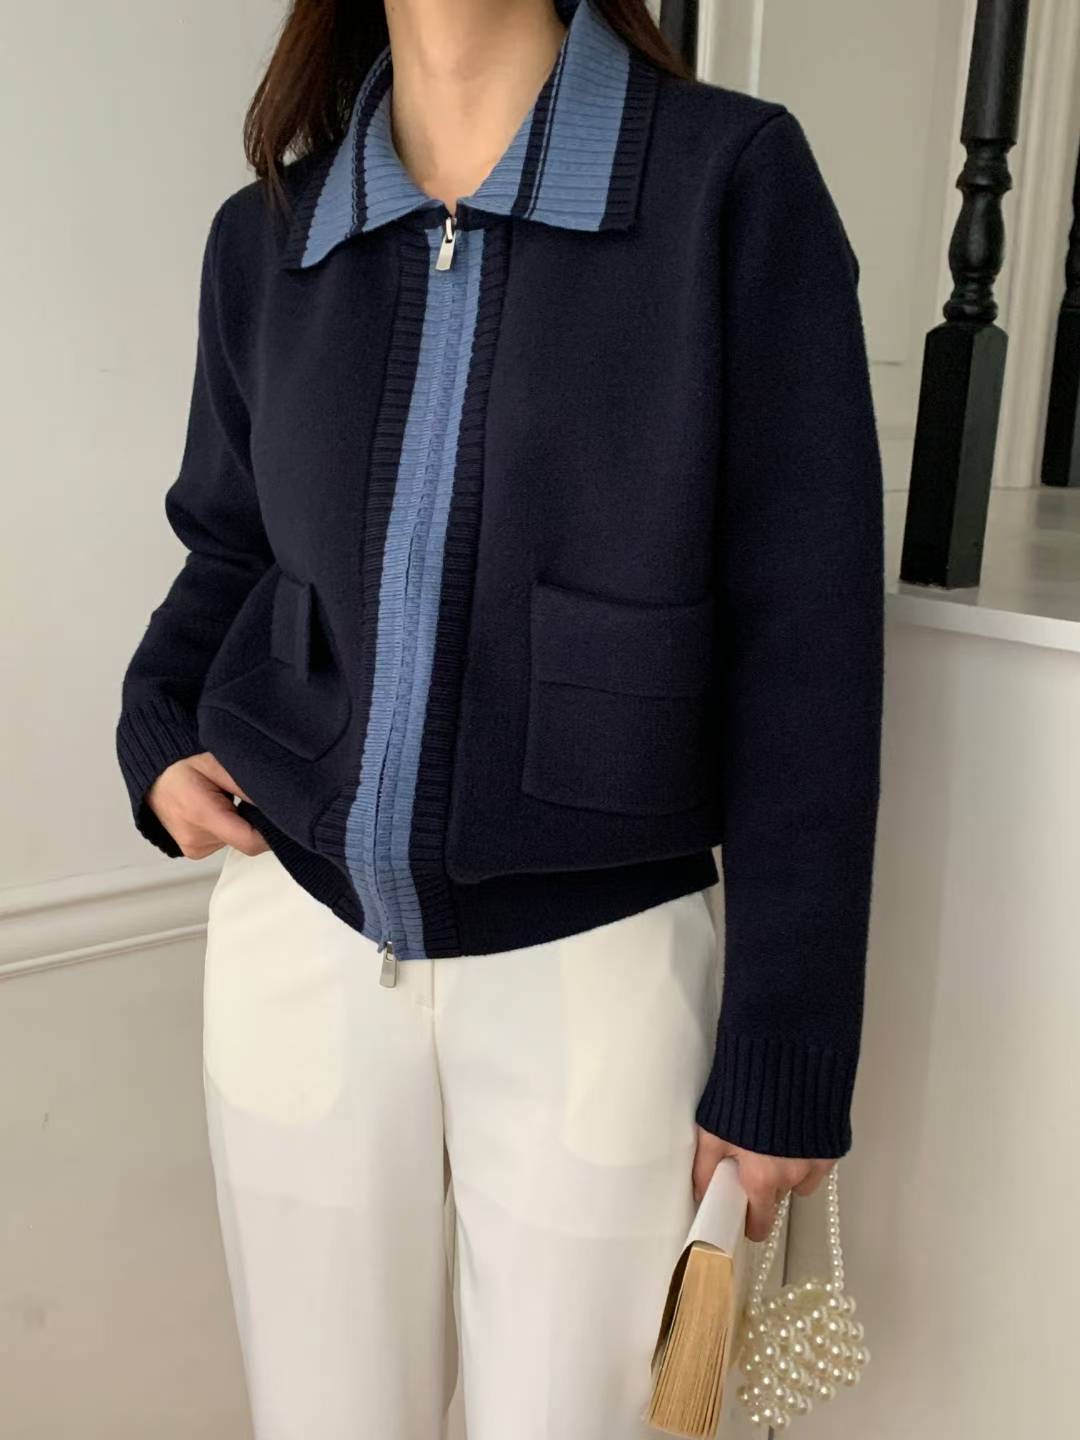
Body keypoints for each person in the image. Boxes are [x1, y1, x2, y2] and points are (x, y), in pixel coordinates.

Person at [115, 0, 885, 1434]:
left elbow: (809, 643)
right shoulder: (268, 234)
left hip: (597, 975)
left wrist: (787, 1049)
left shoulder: (727, 185)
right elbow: (226, 544)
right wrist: (157, 726)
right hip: (298, 947)